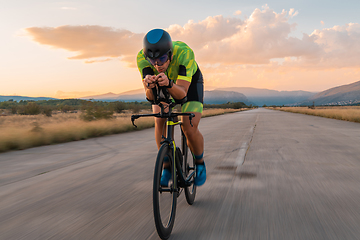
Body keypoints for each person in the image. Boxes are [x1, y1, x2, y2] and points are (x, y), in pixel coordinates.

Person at [136, 29, 206, 186]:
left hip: (189, 85)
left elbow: (181, 95)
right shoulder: (141, 58)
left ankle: (200, 162)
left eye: (161, 59)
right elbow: (150, 98)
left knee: (189, 128)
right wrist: (149, 86)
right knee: (159, 121)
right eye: (152, 61)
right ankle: (166, 166)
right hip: (163, 84)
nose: (157, 65)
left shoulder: (184, 53)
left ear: (170, 54)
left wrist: (168, 83)